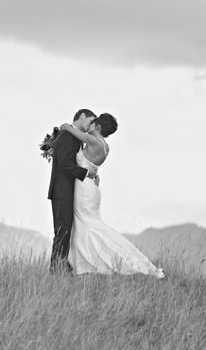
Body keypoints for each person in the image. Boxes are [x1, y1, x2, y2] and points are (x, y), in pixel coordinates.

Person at [60, 113, 164, 279]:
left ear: (98, 127)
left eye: (92, 123)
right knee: (91, 224)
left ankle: (88, 264)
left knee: (87, 225)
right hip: (91, 188)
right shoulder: (105, 146)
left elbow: (71, 130)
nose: (90, 125)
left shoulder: (93, 140)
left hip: (85, 188)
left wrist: (65, 128)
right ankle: (86, 263)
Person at [47, 109, 97, 274]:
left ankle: (62, 268)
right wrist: (86, 174)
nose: (91, 126)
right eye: (90, 121)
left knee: (66, 230)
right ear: (82, 116)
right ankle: (56, 271)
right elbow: (66, 165)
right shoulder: (68, 137)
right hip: (62, 191)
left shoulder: (73, 137)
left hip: (67, 191)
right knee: (63, 230)